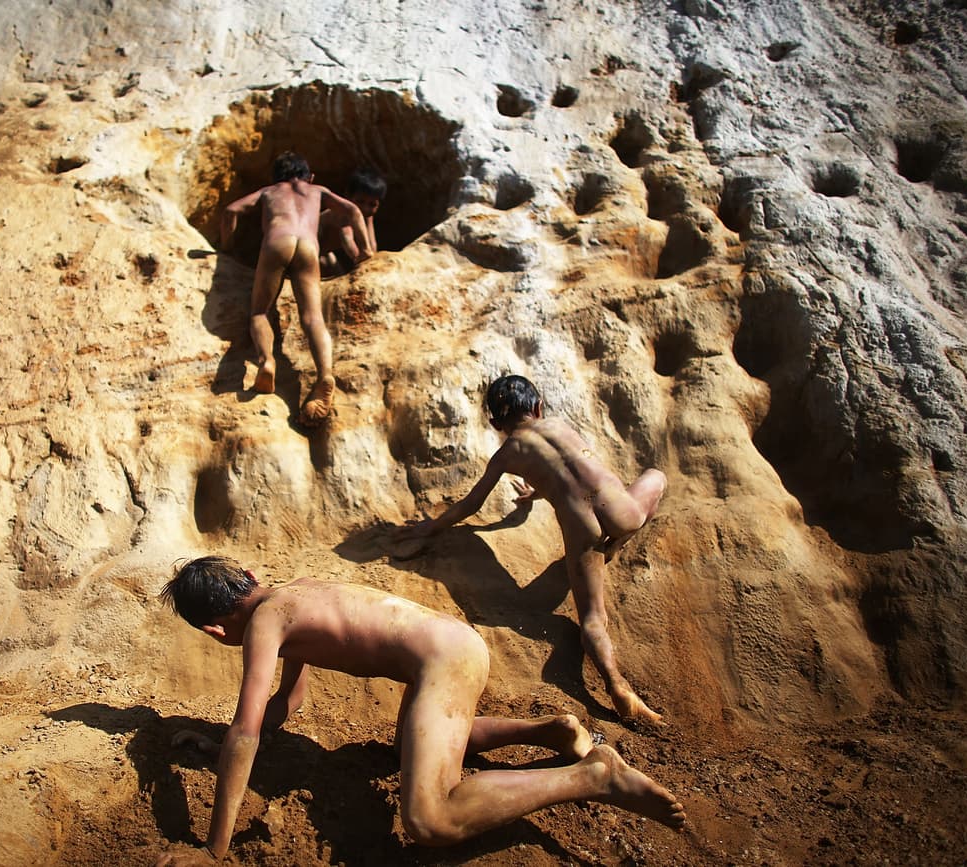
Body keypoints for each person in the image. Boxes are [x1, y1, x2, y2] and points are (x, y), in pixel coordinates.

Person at [155, 556, 685, 865]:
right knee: (405, 748)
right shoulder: (291, 596)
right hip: (450, 643)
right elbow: (286, 702)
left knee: (429, 820)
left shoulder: (267, 623)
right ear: (246, 574)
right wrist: (217, 746)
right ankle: (553, 733)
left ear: (214, 630)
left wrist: (214, 850)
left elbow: (245, 732)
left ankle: (594, 774)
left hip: (443, 661)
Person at [396, 375, 667, 725]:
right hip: (622, 510)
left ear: (495, 423)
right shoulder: (559, 425)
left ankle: (617, 686)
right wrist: (537, 492)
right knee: (656, 478)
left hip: (581, 529)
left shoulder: (507, 455)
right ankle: (615, 544)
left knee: (592, 619)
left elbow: (472, 504)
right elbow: (575, 468)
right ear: (538, 407)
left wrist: (431, 525)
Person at [219, 152, 372, 426]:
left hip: (277, 242)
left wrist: (226, 250)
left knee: (260, 312)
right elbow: (353, 211)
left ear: (276, 177)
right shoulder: (317, 190)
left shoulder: (269, 191)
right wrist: (366, 250)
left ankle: (267, 362)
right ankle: (325, 374)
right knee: (312, 317)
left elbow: (232, 211)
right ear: (309, 177)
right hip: (308, 246)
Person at [319, 167, 386, 276]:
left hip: (326, 253)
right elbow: (347, 238)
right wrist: (357, 258)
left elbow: (371, 243)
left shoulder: (367, 216)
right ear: (348, 197)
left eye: (372, 205)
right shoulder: (344, 213)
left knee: (337, 271)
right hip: (309, 248)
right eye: (360, 201)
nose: (365, 208)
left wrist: (373, 260)